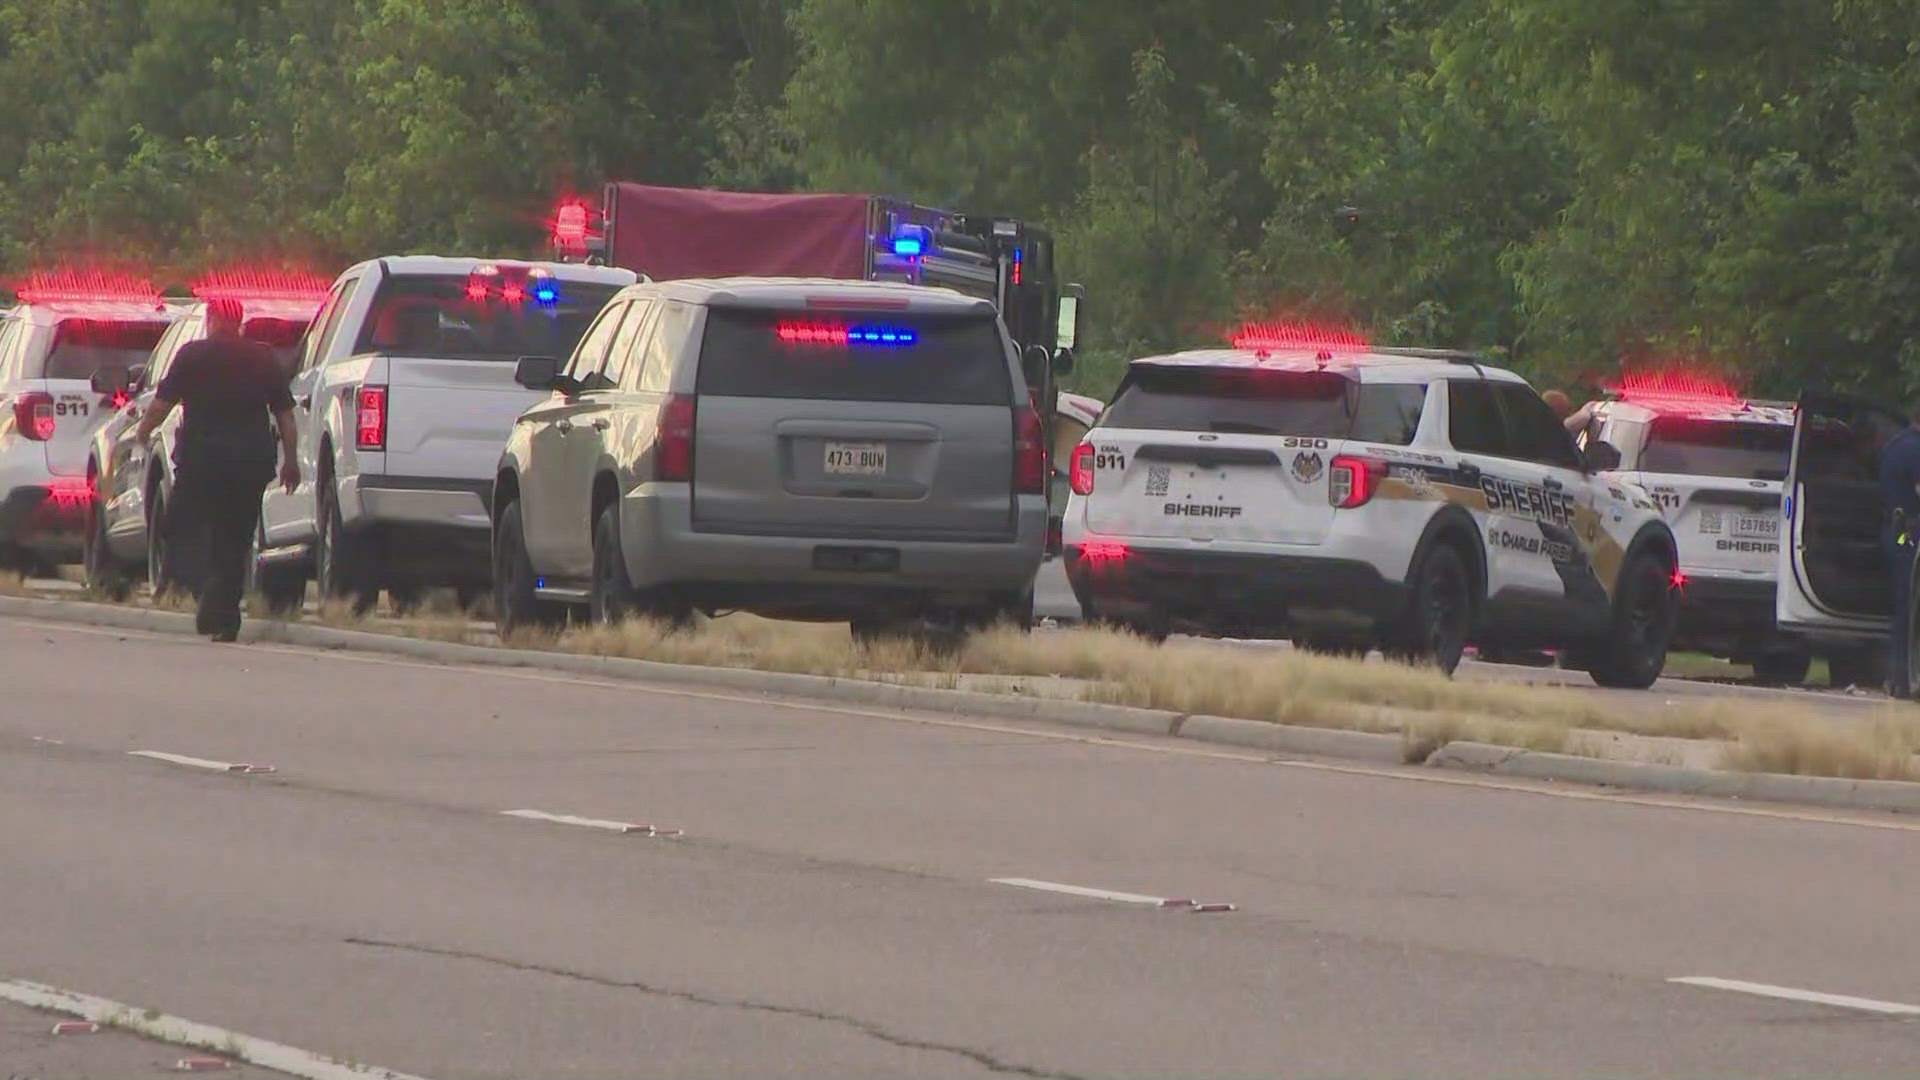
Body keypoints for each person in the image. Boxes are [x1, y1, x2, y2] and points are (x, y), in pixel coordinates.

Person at [134, 299, 300, 642]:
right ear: (239, 321)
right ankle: (225, 618)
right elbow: (285, 414)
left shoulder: (192, 355)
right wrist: (291, 461)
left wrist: (142, 433)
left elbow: (161, 405)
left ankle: (206, 589)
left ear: (211, 319)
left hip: (201, 463)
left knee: (180, 528)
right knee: (235, 540)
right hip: (249, 464)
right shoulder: (262, 357)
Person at [1878, 404, 1920, 697]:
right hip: (1910, 534)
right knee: (1912, 608)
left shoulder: (1895, 444)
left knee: (1905, 607)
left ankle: (1897, 679)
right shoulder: (1916, 449)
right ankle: (1906, 681)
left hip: (1896, 531)